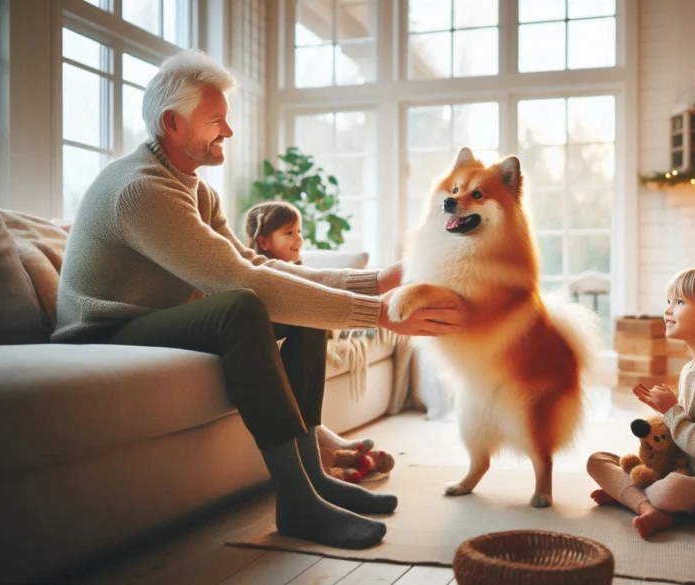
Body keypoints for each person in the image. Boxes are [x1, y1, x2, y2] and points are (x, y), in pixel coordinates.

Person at [52, 49, 463, 550]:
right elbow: (239, 279)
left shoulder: (196, 190)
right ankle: (297, 503)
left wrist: (377, 280)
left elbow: (265, 267)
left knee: (297, 306)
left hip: (159, 322)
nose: (227, 131)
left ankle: (314, 478)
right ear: (172, 124)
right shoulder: (141, 191)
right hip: (104, 335)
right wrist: (376, 314)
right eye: (216, 121)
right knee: (243, 306)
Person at [586, 267, 695, 539]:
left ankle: (636, 499)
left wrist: (671, 410)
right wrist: (660, 425)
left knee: (666, 491)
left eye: (679, 302)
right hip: (688, 469)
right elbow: (682, 433)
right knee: (597, 461)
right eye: (668, 302)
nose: (668, 310)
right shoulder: (690, 369)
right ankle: (647, 506)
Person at [243, 200, 381, 466]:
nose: (299, 238)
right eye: (288, 233)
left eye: (298, 231)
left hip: (276, 325)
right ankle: (316, 444)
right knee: (309, 316)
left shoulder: (298, 268)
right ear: (263, 242)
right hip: (251, 327)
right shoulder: (259, 270)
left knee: (313, 317)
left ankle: (314, 433)